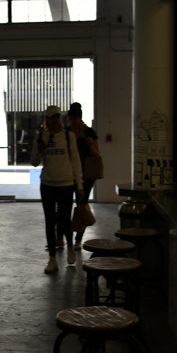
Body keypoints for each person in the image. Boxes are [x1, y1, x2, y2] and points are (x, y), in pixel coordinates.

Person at [31, 105, 85, 274]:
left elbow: (76, 161)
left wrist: (80, 185)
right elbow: (34, 162)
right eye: (51, 117)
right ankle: (52, 259)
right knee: (49, 221)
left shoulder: (68, 136)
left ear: (60, 118)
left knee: (65, 220)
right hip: (47, 184)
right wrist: (39, 149)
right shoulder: (41, 136)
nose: (54, 120)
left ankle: (69, 247)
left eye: (56, 117)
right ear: (46, 119)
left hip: (66, 184)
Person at [66, 102, 100, 250]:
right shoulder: (66, 132)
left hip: (86, 174)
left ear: (80, 118)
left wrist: (89, 144)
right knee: (65, 206)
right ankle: (64, 237)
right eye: (70, 119)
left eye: (74, 119)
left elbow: (97, 154)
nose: (72, 122)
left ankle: (78, 240)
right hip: (69, 173)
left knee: (81, 206)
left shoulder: (89, 132)